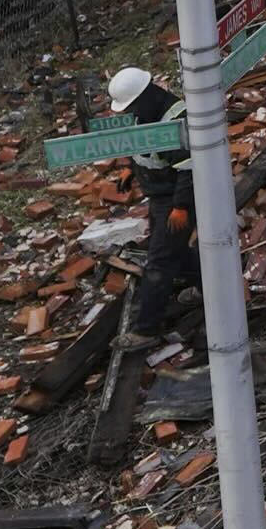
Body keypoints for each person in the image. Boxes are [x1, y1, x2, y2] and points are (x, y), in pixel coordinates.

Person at [110, 69, 201, 345]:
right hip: (162, 197)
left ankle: (146, 330)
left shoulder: (174, 119)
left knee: (160, 259)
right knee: (173, 250)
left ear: (144, 96)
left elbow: (188, 167)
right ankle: (212, 285)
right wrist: (131, 171)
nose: (128, 112)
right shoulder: (145, 112)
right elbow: (142, 146)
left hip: (178, 200)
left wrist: (181, 207)